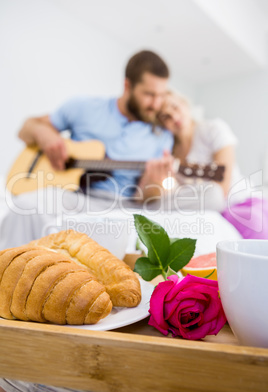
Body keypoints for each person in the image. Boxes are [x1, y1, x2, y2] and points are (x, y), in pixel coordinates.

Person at [0, 50, 175, 250]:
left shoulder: (163, 137)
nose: (156, 104)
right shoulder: (83, 107)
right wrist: (44, 134)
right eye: (149, 94)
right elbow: (26, 128)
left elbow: (144, 197)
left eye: (161, 96)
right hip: (76, 195)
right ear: (127, 85)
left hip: (121, 204)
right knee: (25, 206)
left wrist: (152, 185)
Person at [154, 90, 268, 239]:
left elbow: (222, 188)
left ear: (185, 104)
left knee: (256, 226)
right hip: (210, 210)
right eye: (166, 117)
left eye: (175, 107)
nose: (174, 117)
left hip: (241, 201)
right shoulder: (169, 154)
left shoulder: (213, 129)